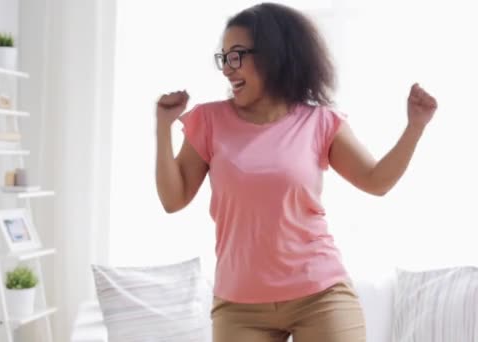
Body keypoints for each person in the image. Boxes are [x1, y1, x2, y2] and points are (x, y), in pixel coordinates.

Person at [155, 3, 438, 342]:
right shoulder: (209, 121)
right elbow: (173, 200)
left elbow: (376, 182)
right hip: (239, 304)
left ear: (275, 55)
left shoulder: (320, 122)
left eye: (238, 55)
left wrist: (415, 127)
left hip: (318, 293)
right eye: (224, 57)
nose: (228, 69)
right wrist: (163, 126)